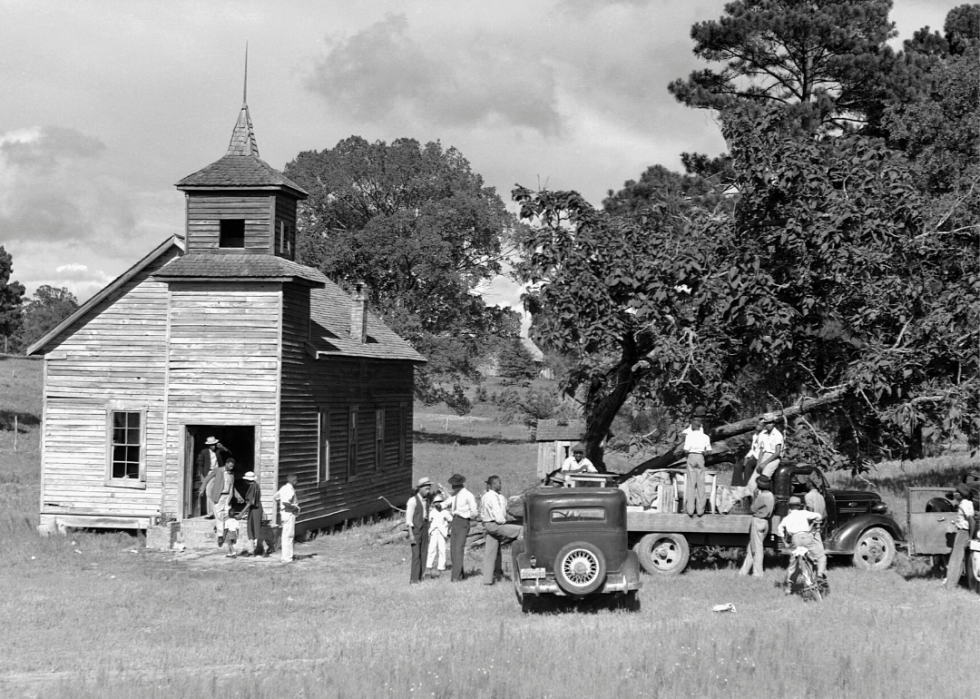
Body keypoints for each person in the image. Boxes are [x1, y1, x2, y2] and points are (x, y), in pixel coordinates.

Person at [481, 475, 524, 585]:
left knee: (490, 553)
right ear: (494, 484)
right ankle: (520, 564)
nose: (501, 485)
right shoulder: (493, 497)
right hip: (496, 524)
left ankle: (488, 580)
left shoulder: (489, 496)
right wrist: (505, 522)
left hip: (488, 524)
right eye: (499, 483)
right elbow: (499, 516)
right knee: (520, 530)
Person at [777, 496, 827, 582]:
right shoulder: (803, 513)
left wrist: (785, 542)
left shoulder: (787, 518)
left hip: (795, 540)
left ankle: (789, 586)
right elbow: (819, 516)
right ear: (799, 506)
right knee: (821, 556)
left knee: (793, 563)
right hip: (806, 537)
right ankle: (819, 575)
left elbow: (779, 529)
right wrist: (815, 523)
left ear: (790, 507)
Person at [200, 457, 244, 543]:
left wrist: (238, 496)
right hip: (219, 496)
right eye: (230, 466)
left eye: (233, 466)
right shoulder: (218, 470)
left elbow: (232, 487)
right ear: (226, 464)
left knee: (227, 514)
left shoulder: (232, 474)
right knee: (219, 515)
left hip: (228, 497)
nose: (231, 468)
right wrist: (202, 489)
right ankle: (220, 536)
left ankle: (223, 529)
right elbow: (207, 479)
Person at [739, 474, 774, 577]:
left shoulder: (761, 496)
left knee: (757, 549)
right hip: (766, 522)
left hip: (758, 520)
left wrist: (755, 497)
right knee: (752, 547)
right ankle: (743, 572)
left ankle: (758, 573)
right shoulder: (770, 495)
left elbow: (753, 508)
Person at [445, 473, 478, 582]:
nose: (453, 486)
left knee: (458, 549)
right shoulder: (455, 495)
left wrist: (466, 515)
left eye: (454, 484)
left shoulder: (468, 495)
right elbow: (447, 502)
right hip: (455, 521)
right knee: (454, 549)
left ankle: (455, 577)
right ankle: (460, 574)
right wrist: (440, 505)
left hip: (463, 521)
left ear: (460, 484)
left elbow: (474, 512)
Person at [943, 484, 974, 588]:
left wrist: (970, 537)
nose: (955, 494)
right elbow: (949, 496)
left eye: (957, 493)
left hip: (963, 533)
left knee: (955, 559)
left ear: (961, 494)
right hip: (964, 532)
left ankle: (950, 585)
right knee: (960, 558)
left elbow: (972, 521)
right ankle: (953, 583)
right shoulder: (968, 503)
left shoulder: (963, 504)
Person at [195, 436, 231, 518]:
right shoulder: (204, 452)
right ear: (208, 445)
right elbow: (201, 464)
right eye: (211, 445)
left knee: (220, 491)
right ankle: (211, 513)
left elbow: (229, 456)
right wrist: (202, 476)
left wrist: (223, 448)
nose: (213, 446)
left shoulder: (219, 451)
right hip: (209, 472)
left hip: (219, 472)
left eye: (214, 444)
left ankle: (219, 511)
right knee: (208, 492)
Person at [405, 477, 433, 583]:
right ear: (420, 488)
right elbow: (408, 519)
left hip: (425, 528)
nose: (428, 491)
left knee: (424, 553)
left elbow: (427, 515)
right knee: (416, 554)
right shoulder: (412, 501)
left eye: (429, 489)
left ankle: (421, 576)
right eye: (426, 488)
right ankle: (414, 579)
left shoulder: (427, 501)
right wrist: (411, 534)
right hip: (415, 530)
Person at [747, 414, 783, 492]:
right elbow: (761, 450)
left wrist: (765, 463)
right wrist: (759, 463)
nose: (768, 425)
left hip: (773, 458)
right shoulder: (763, 434)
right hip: (764, 456)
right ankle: (752, 500)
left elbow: (777, 452)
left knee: (763, 481)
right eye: (766, 423)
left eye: (770, 423)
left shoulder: (777, 435)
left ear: (773, 423)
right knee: (752, 482)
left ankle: (764, 499)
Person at [683, 418, 711, 516]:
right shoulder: (705, 437)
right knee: (701, 484)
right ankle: (700, 510)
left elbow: (686, 450)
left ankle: (690, 510)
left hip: (691, 456)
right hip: (700, 457)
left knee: (691, 483)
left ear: (693, 426)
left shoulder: (689, 436)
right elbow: (708, 451)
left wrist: (688, 457)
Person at [273, 474, 300, 563]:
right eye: (296, 481)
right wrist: (294, 508)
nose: (297, 482)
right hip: (288, 514)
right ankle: (286, 558)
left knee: (287, 535)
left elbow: (276, 497)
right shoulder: (289, 490)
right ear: (293, 481)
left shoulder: (283, 488)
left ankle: (288, 556)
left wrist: (281, 506)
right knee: (288, 536)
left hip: (284, 513)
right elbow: (285, 502)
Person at [732, 421, 765, 488]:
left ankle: (747, 485)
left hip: (759, 457)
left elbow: (761, 450)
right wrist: (747, 456)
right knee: (737, 465)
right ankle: (737, 484)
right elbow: (753, 449)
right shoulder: (755, 436)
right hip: (753, 455)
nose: (757, 426)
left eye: (759, 425)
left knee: (749, 464)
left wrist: (752, 457)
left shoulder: (764, 436)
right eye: (757, 424)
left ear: (763, 427)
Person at [240, 471, 264, 557]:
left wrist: (242, 512)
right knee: (250, 527)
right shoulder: (253, 486)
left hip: (256, 508)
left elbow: (251, 502)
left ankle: (259, 550)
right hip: (253, 508)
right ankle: (252, 549)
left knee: (256, 528)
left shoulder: (254, 487)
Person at [426, 493, 451, 577]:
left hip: (442, 533)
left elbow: (451, 520)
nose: (438, 504)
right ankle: (429, 566)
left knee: (442, 550)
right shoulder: (432, 512)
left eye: (440, 502)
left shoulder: (445, 512)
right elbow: (429, 522)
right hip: (434, 532)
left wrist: (447, 530)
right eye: (436, 502)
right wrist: (429, 531)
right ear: (433, 504)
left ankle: (441, 567)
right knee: (431, 549)